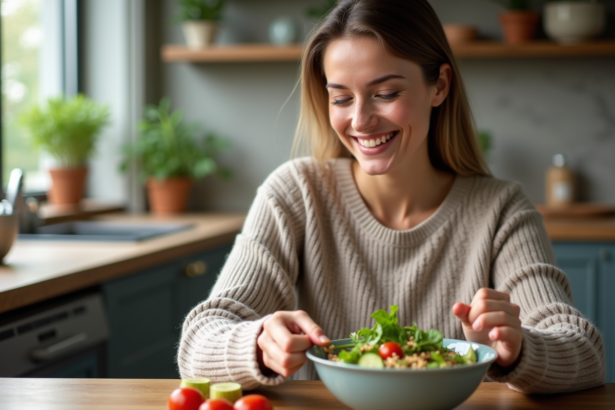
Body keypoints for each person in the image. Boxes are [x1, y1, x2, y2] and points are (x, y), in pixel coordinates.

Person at [178, 0, 605, 394]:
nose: (360, 120)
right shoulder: (294, 193)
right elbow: (199, 342)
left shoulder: (501, 210)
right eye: (341, 98)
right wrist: (257, 342)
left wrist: (519, 347)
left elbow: (585, 353)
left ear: (439, 86)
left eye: (385, 94)